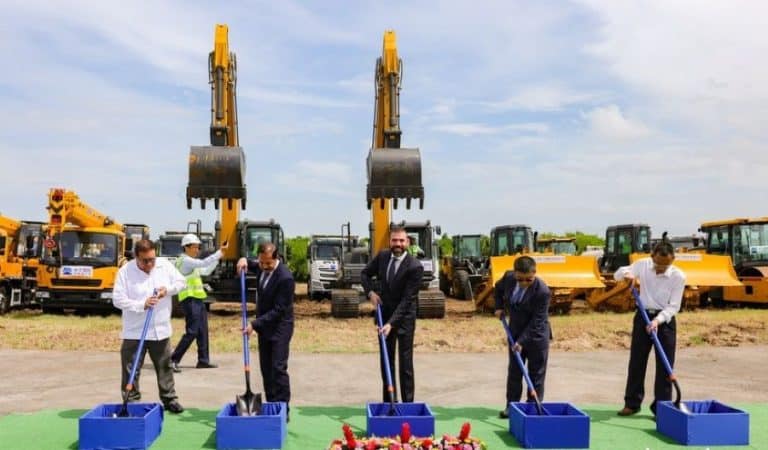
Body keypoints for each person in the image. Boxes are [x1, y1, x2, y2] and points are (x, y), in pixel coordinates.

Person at [113, 239, 187, 414]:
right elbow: (117, 299)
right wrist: (141, 304)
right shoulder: (125, 272)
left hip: (160, 329)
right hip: (134, 331)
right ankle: (130, 401)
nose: (150, 264)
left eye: (152, 259)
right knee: (131, 368)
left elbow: (181, 282)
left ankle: (169, 399)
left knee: (165, 366)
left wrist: (166, 290)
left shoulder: (164, 266)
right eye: (145, 260)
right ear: (136, 258)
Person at [615, 241, 685, 417]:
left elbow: (674, 306)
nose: (661, 268)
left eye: (665, 265)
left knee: (665, 365)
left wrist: (657, 321)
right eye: (658, 264)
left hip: (665, 321)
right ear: (652, 257)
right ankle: (632, 403)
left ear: (673, 260)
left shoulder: (679, 276)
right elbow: (617, 274)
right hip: (643, 317)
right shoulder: (643, 265)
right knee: (637, 362)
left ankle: (662, 407)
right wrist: (627, 275)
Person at [361, 227, 424, 403]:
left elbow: (407, 300)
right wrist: (370, 293)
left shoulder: (415, 267)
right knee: (386, 362)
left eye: (401, 241)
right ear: (390, 241)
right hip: (384, 316)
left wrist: (392, 323)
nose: (398, 244)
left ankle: (407, 404)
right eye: (395, 240)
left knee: (405, 364)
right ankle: (390, 402)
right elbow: (364, 274)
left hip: (404, 319)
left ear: (408, 243)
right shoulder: (382, 257)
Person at [236, 242, 295, 418]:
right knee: (266, 369)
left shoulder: (285, 278)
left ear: (276, 258)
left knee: (277, 368)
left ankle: (284, 410)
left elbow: (279, 310)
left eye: (268, 263)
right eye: (261, 263)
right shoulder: (261, 266)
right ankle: (271, 405)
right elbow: (250, 264)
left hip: (280, 328)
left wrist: (254, 324)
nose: (263, 266)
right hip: (265, 328)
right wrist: (243, 260)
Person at [494, 256, 552, 419]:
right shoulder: (508, 277)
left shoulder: (542, 291)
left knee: (535, 374)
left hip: (536, 337)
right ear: (515, 273)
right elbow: (497, 289)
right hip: (515, 331)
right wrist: (498, 307)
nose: (524, 283)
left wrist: (522, 341)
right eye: (520, 279)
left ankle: (532, 408)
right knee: (514, 372)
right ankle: (511, 406)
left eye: (529, 279)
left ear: (535, 274)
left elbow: (538, 321)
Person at [170, 234, 227, 373]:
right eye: (195, 247)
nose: (197, 250)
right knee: (192, 331)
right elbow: (203, 263)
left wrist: (219, 257)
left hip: (197, 299)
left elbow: (206, 270)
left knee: (202, 331)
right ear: (186, 247)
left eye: (198, 247)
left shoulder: (190, 262)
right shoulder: (184, 261)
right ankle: (173, 360)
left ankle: (203, 360)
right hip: (190, 300)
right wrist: (219, 252)